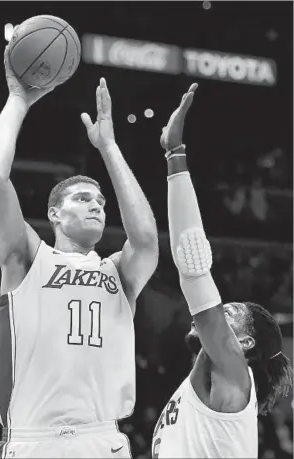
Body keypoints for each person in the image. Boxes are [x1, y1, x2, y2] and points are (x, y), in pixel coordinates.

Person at [0, 45, 158, 459]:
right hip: (33, 439)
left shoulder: (118, 273)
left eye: (100, 201)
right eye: (82, 198)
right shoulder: (26, 258)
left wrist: (109, 148)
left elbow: (147, 241)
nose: (97, 204)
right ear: (54, 213)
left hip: (102, 438)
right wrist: (18, 99)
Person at [151, 83, 293, 458]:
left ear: (244, 344)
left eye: (227, 312)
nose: (216, 310)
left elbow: (194, 268)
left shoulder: (233, 370)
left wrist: (175, 155)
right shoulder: (211, 381)